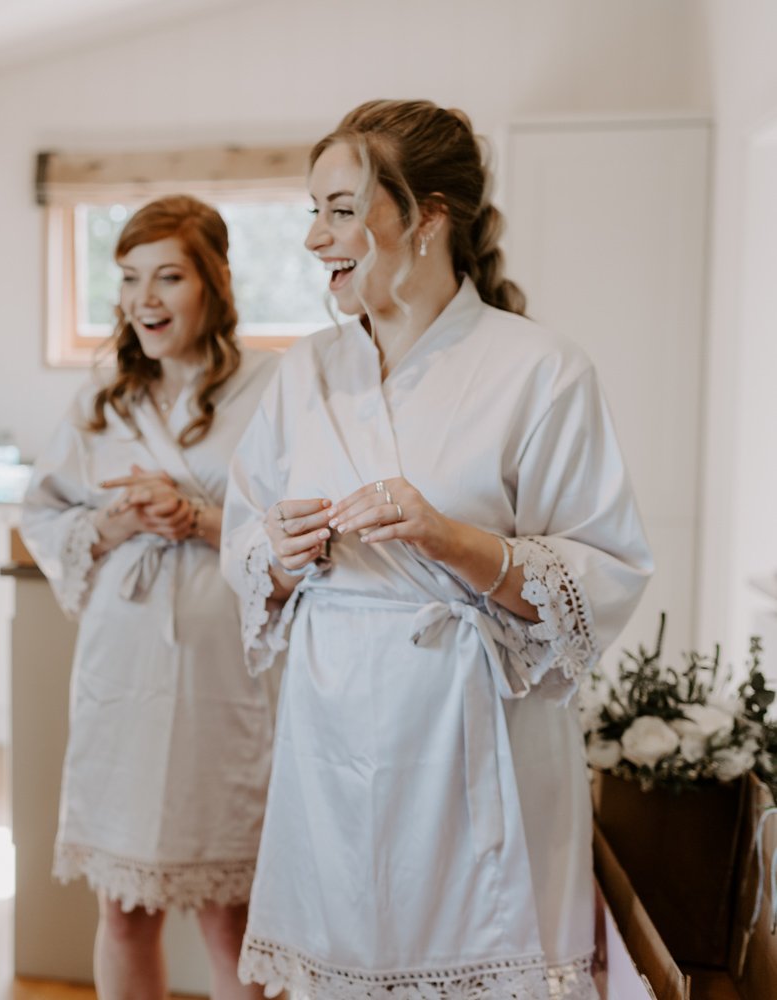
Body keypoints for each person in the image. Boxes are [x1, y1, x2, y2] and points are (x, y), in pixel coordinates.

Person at [221, 99, 654, 999]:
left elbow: (604, 574)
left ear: (427, 217)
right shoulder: (303, 373)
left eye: (342, 209)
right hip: (331, 725)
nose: (314, 239)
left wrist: (455, 541)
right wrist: (281, 548)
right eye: (312, 210)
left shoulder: (542, 369)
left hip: (476, 725)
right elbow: (243, 542)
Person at [21, 195, 278, 1000]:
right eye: (131, 278)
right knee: (125, 906)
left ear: (216, 282)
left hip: (227, 674)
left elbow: (304, 528)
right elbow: (44, 516)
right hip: (123, 666)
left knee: (230, 911)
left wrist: (199, 518)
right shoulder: (103, 402)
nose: (146, 299)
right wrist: (117, 516)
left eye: (170, 276)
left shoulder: (274, 389)